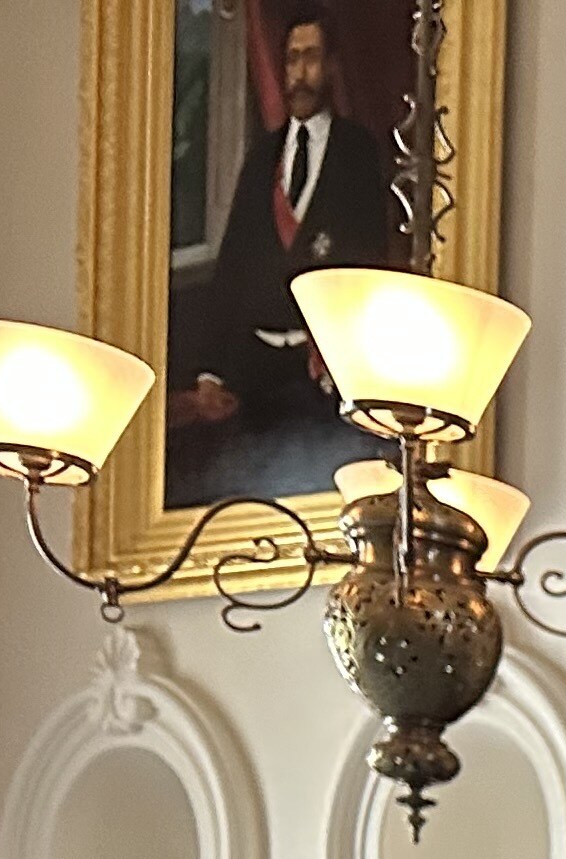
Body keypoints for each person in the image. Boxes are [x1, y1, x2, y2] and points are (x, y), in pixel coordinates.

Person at [170, 11, 398, 503]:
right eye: (291, 59)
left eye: (310, 58)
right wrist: (210, 371)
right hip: (253, 371)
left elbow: (368, 269)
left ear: (331, 66)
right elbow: (232, 266)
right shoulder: (263, 157)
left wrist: (346, 362)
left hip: (319, 370)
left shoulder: (357, 152)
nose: (299, 73)